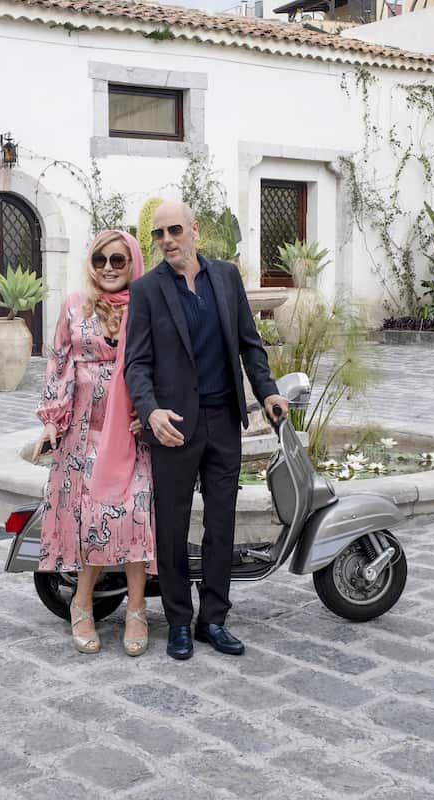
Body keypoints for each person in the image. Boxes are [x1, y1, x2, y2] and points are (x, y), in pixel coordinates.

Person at [124, 200, 288, 661]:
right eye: (158, 234)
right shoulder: (147, 290)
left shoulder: (226, 277)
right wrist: (151, 411)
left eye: (174, 230)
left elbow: (249, 344)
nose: (167, 240)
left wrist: (268, 391)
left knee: (221, 523)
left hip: (223, 421)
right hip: (173, 426)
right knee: (173, 527)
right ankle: (178, 620)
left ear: (195, 230)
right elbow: (136, 363)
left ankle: (212, 619)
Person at [35, 229, 156, 656]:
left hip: (132, 428)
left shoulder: (147, 307)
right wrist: (52, 420)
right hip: (84, 431)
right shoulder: (74, 305)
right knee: (93, 515)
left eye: (118, 260)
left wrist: (151, 408)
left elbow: (162, 363)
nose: (108, 267)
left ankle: (138, 609)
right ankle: (81, 604)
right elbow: (59, 364)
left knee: (137, 511)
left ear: (132, 264)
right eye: (100, 258)